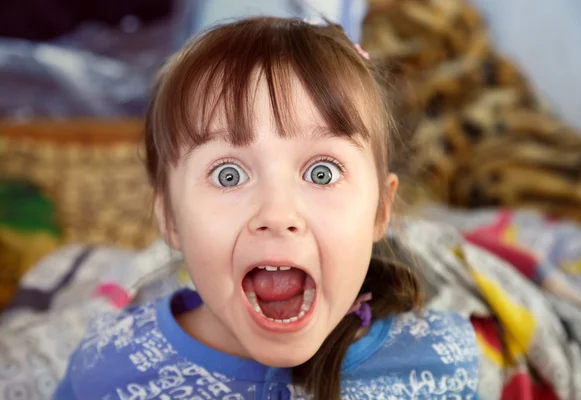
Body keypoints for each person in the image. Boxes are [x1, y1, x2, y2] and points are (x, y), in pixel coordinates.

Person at [53, 17, 479, 399]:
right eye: (228, 176)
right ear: (170, 218)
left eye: (322, 173)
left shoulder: (440, 365)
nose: (277, 215)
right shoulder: (110, 368)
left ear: (380, 211)